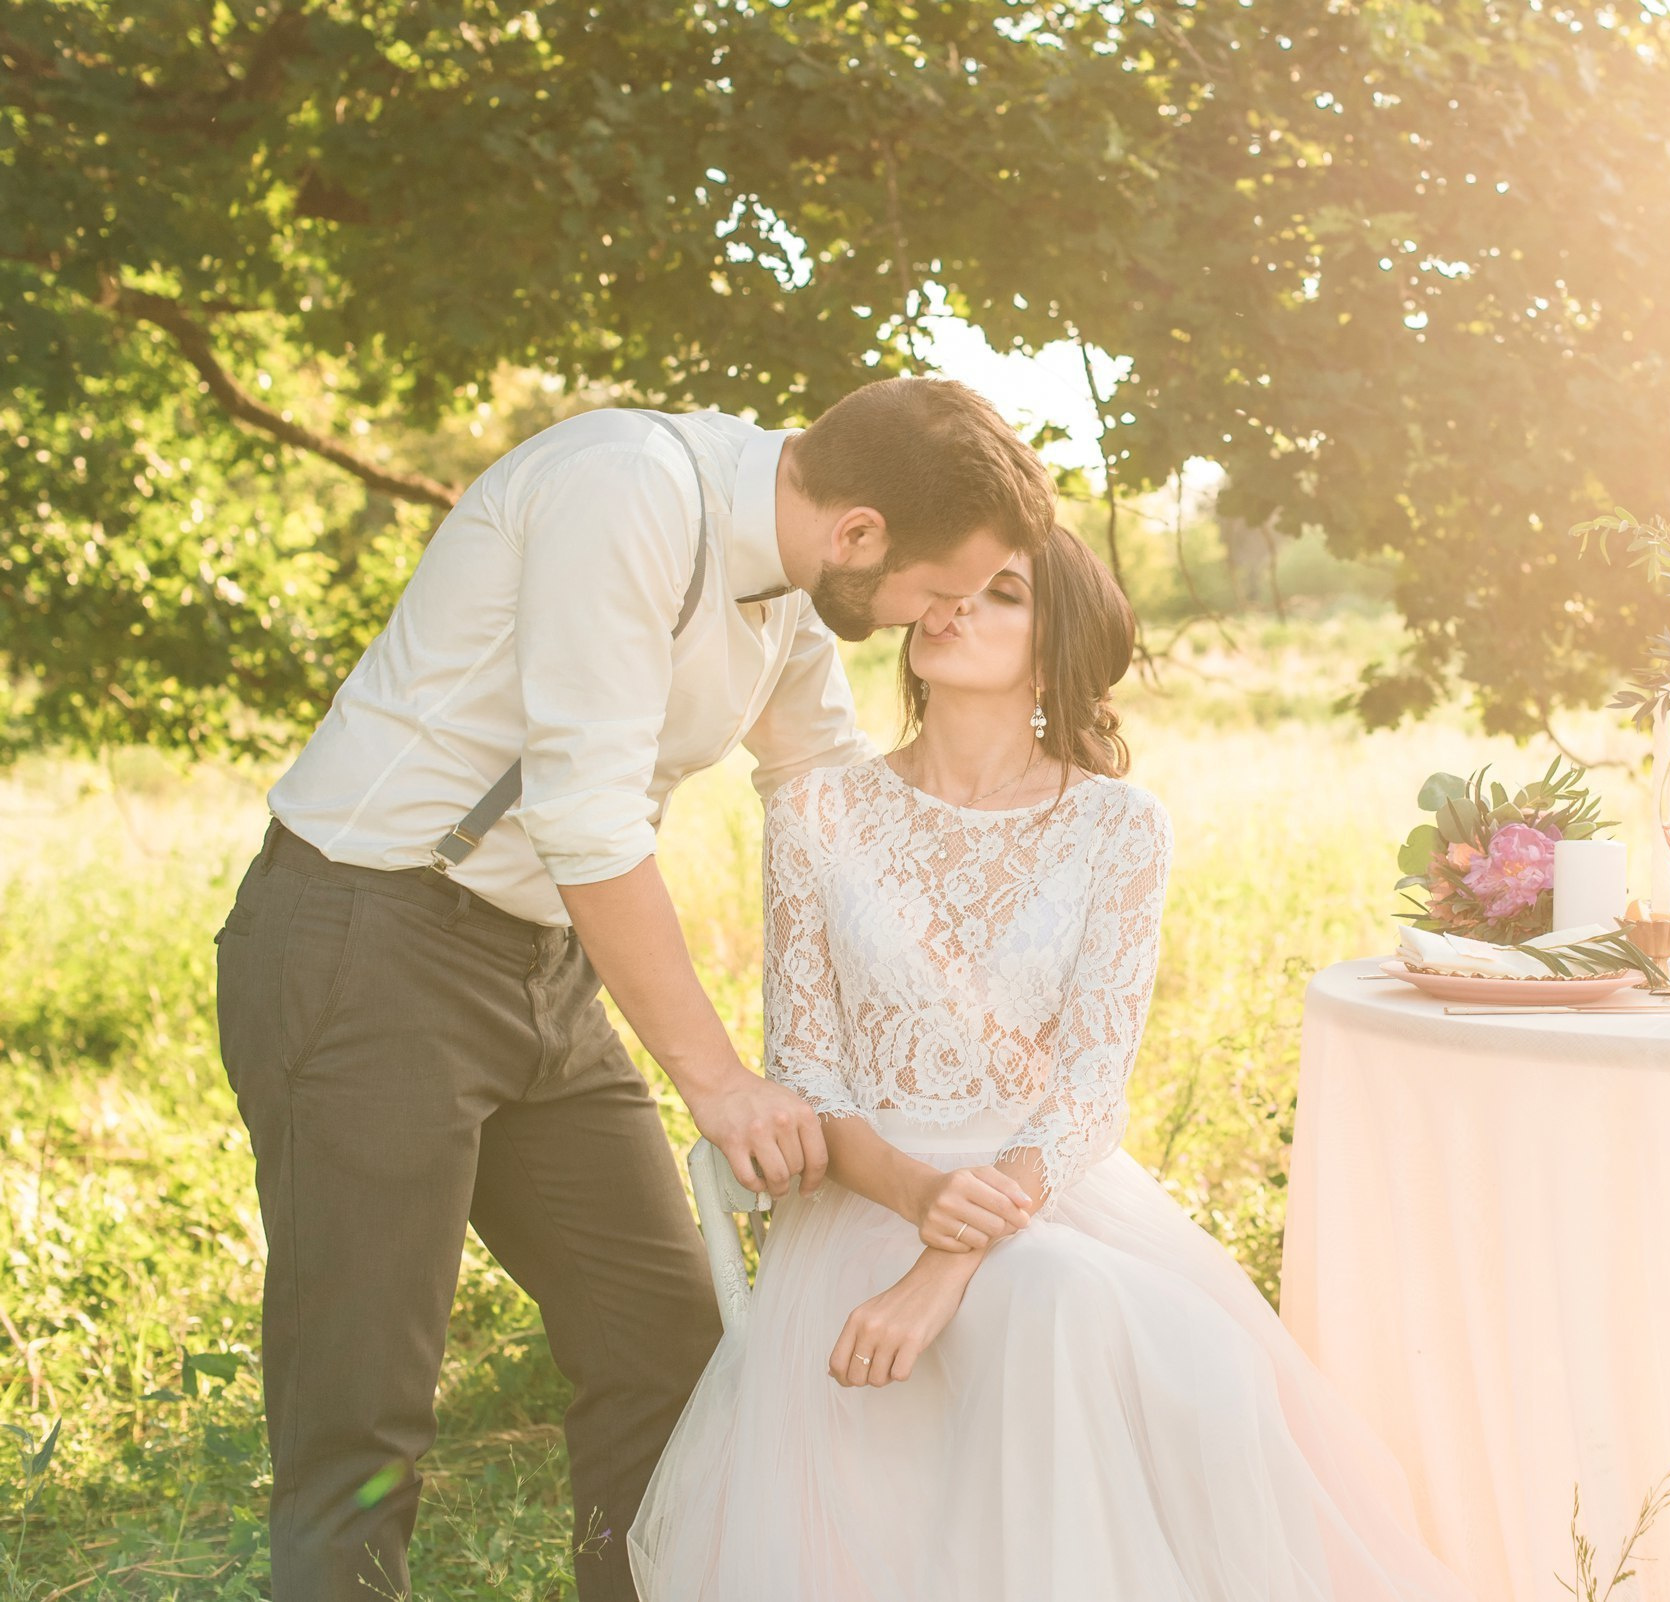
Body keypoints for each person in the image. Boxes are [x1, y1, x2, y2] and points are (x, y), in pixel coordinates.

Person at [212, 378, 1055, 1599]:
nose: (940, 618)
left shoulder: (794, 573)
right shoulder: (628, 493)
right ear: (861, 534)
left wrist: (970, 992)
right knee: (361, 1403)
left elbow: (822, 787)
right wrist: (718, 1082)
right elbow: (585, 814)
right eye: (938, 591)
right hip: (368, 937)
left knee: (666, 1345)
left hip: (545, 965)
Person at [628, 531, 1472, 1601]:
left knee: (1190, 1357)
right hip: (869, 1194)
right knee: (1063, 1302)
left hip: (1051, 1191)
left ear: (1054, 650)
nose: (953, 607)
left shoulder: (1119, 827)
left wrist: (945, 1264)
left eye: (1003, 595)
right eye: (947, 587)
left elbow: (1088, 1093)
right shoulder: (816, 813)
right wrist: (921, 1202)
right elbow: (809, 1074)